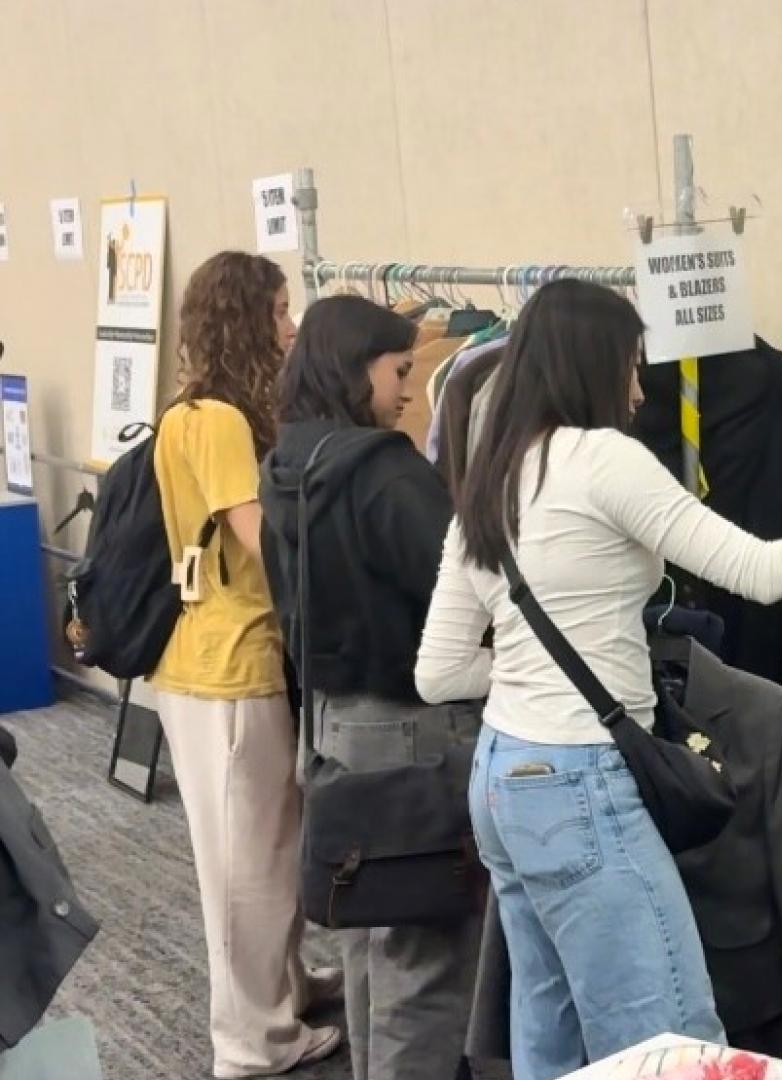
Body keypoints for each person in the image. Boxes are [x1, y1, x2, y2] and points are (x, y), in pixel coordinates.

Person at [414, 279, 782, 1079]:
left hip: (503, 782)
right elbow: (760, 569)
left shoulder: (491, 475)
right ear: (591, 365)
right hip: (581, 785)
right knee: (676, 1043)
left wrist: (531, 674)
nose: (641, 388)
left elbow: (439, 671)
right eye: (631, 366)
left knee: (554, 1034)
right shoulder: (604, 461)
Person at [257, 295, 479, 1080]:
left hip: (330, 730)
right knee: (423, 964)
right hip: (411, 733)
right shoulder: (384, 474)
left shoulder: (288, 463)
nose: (409, 391)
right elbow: (461, 587)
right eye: (399, 371)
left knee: (367, 942)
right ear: (357, 370)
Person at [150, 251, 344, 1078]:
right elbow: (259, 539)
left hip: (208, 661)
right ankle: (253, 1041)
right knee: (246, 866)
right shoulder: (224, 421)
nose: (290, 326)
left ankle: (285, 988)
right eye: (277, 311)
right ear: (243, 320)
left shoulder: (184, 415)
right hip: (229, 666)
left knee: (266, 846)